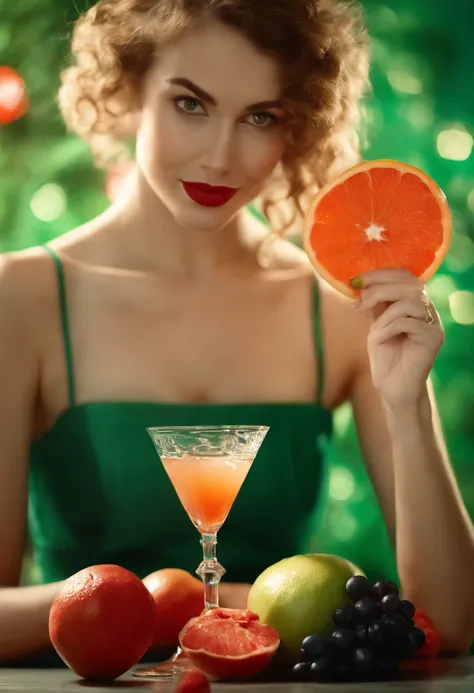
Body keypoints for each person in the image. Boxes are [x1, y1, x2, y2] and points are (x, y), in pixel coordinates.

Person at [0, 0, 473, 665]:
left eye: (260, 117)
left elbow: (447, 622)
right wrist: (185, 602)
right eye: (190, 104)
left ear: (297, 127)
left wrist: (407, 403)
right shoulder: (21, 298)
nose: (220, 156)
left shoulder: (339, 307)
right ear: (129, 87)